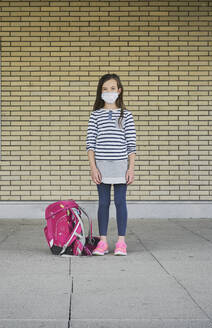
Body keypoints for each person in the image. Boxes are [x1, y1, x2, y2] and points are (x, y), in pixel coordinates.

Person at [86, 73, 136, 256]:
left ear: (119, 91)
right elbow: (90, 144)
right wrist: (93, 168)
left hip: (121, 166)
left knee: (120, 202)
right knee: (103, 203)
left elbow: (131, 145)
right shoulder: (95, 116)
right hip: (102, 167)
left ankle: (121, 242)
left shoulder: (126, 115)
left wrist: (130, 168)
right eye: (105, 89)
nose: (109, 92)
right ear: (100, 92)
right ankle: (103, 242)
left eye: (112, 88)